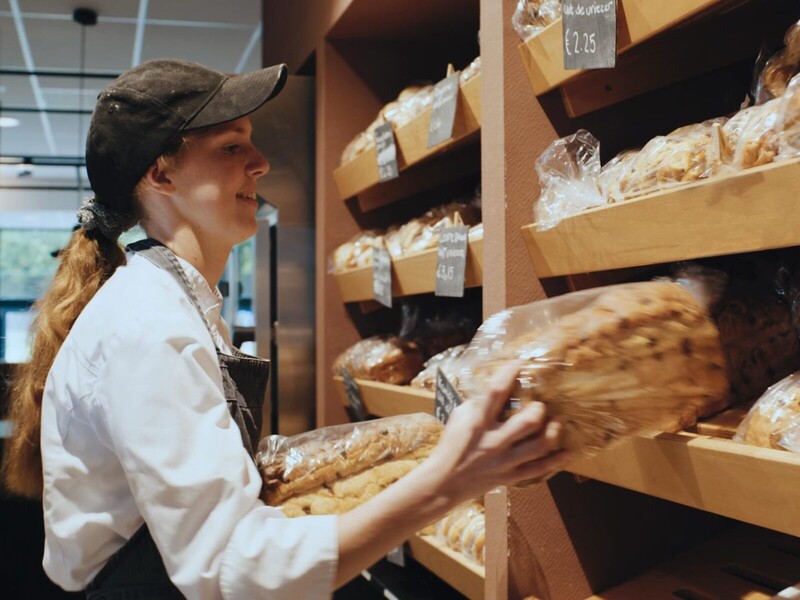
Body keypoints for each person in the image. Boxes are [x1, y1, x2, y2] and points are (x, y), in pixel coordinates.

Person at [1, 58, 568, 600]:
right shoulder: (147, 330)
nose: (260, 162)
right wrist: (447, 481)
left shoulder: (174, 307)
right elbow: (235, 571)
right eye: (231, 146)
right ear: (160, 173)